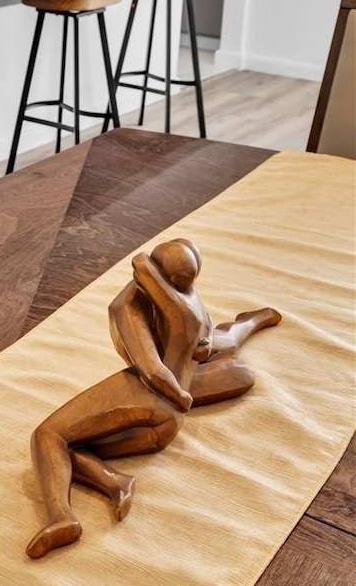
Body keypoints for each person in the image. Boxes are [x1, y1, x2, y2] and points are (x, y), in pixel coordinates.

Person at [26, 238, 281, 559]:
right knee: (233, 361)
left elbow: (153, 371)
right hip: (167, 425)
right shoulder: (188, 304)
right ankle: (116, 483)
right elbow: (199, 344)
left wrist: (180, 396)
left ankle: (62, 517)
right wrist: (183, 392)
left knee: (49, 436)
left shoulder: (137, 305)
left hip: (156, 400)